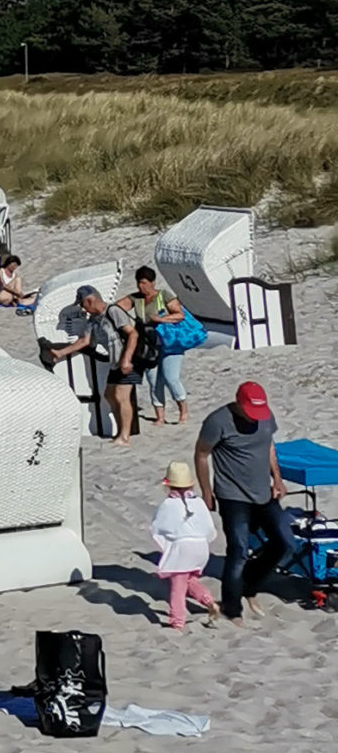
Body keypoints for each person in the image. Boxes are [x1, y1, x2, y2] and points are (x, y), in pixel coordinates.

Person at [196, 381, 297, 622]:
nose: (255, 419)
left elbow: (269, 446)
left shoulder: (265, 416)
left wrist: (278, 479)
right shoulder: (217, 421)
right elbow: (201, 454)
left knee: (284, 543)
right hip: (232, 495)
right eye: (250, 413)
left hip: (264, 492)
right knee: (239, 550)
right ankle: (232, 608)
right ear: (239, 404)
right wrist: (207, 492)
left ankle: (249, 585)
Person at [51, 286, 137, 442]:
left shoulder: (113, 311)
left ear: (90, 300)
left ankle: (125, 436)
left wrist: (127, 359)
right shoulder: (93, 320)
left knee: (121, 396)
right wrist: (61, 353)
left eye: (83, 304)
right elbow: (84, 341)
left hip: (128, 360)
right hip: (115, 362)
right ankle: (119, 433)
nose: (83, 308)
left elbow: (133, 333)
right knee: (110, 395)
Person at [152, 462, 221, 627]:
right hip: (200, 546)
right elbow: (210, 529)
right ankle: (209, 601)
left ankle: (177, 621)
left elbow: (157, 528)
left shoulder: (168, 505)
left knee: (178, 585)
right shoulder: (198, 503)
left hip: (182, 548)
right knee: (189, 579)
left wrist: (167, 545)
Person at [123, 266, 192, 424]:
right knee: (154, 381)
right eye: (139, 283)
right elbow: (117, 308)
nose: (142, 286)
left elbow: (179, 315)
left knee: (171, 378)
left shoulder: (164, 295)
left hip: (170, 344)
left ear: (153, 282)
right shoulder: (136, 298)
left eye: (145, 283)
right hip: (149, 346)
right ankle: (160, 416)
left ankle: (183, 411)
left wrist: (161, 319)